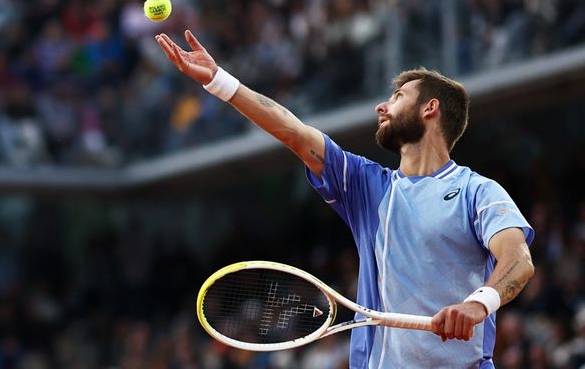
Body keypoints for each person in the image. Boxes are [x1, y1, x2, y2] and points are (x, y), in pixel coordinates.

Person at [155, 30, 535, 368]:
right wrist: (220, 82)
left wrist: (478, 303)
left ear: (430, 109)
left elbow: (518, 260)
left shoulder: (477, 191)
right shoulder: (367, 186)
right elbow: (296, 133)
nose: (381, 107)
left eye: (397, 97)